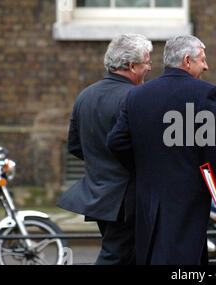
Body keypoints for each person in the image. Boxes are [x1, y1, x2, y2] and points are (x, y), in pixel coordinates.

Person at [106, 35, 216, 265]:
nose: (206, 66)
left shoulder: (137, 94)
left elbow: (116, 142)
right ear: (187, 61)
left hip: (148, 199)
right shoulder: (204, 93)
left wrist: (146, 167)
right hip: (186, 200)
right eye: (203, 60)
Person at [57, 34, 153, 265]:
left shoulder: (85, 96)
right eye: (147, 62)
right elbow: (146, 150)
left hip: (99, 194)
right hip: (128, 198)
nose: (150, 68)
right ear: (132, 66)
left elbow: (74, 146)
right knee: (117, 256)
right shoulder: (136, 97)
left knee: (127, 255)